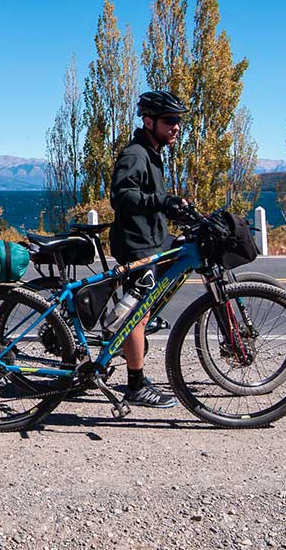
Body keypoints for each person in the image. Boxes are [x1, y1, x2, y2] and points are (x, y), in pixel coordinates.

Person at [109, 91, 189, 408]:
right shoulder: (136, 155)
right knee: (136, 317)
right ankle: (135, 385)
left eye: (178, 121)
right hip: (136, 245)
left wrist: (175, 209)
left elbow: (150, 199)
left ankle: (132, 356)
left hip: (151, 240)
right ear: (149, 121)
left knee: (142, 311)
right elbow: (123, 197)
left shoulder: (152, 152)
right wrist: (161, 202)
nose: (176, 127)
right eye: (170, 120)